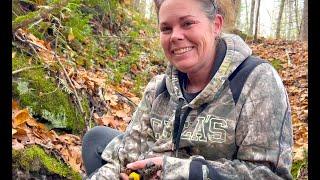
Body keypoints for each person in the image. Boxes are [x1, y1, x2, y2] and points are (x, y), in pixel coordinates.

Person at [82, 0, 293, 179]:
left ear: (216, 24)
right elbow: (124, 156)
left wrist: (179, 170)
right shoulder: (160, 88)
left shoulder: (255, 81)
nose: (175, 36)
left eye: (188, 23)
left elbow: (268, 174)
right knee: (97, 140)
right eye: (166, 28)